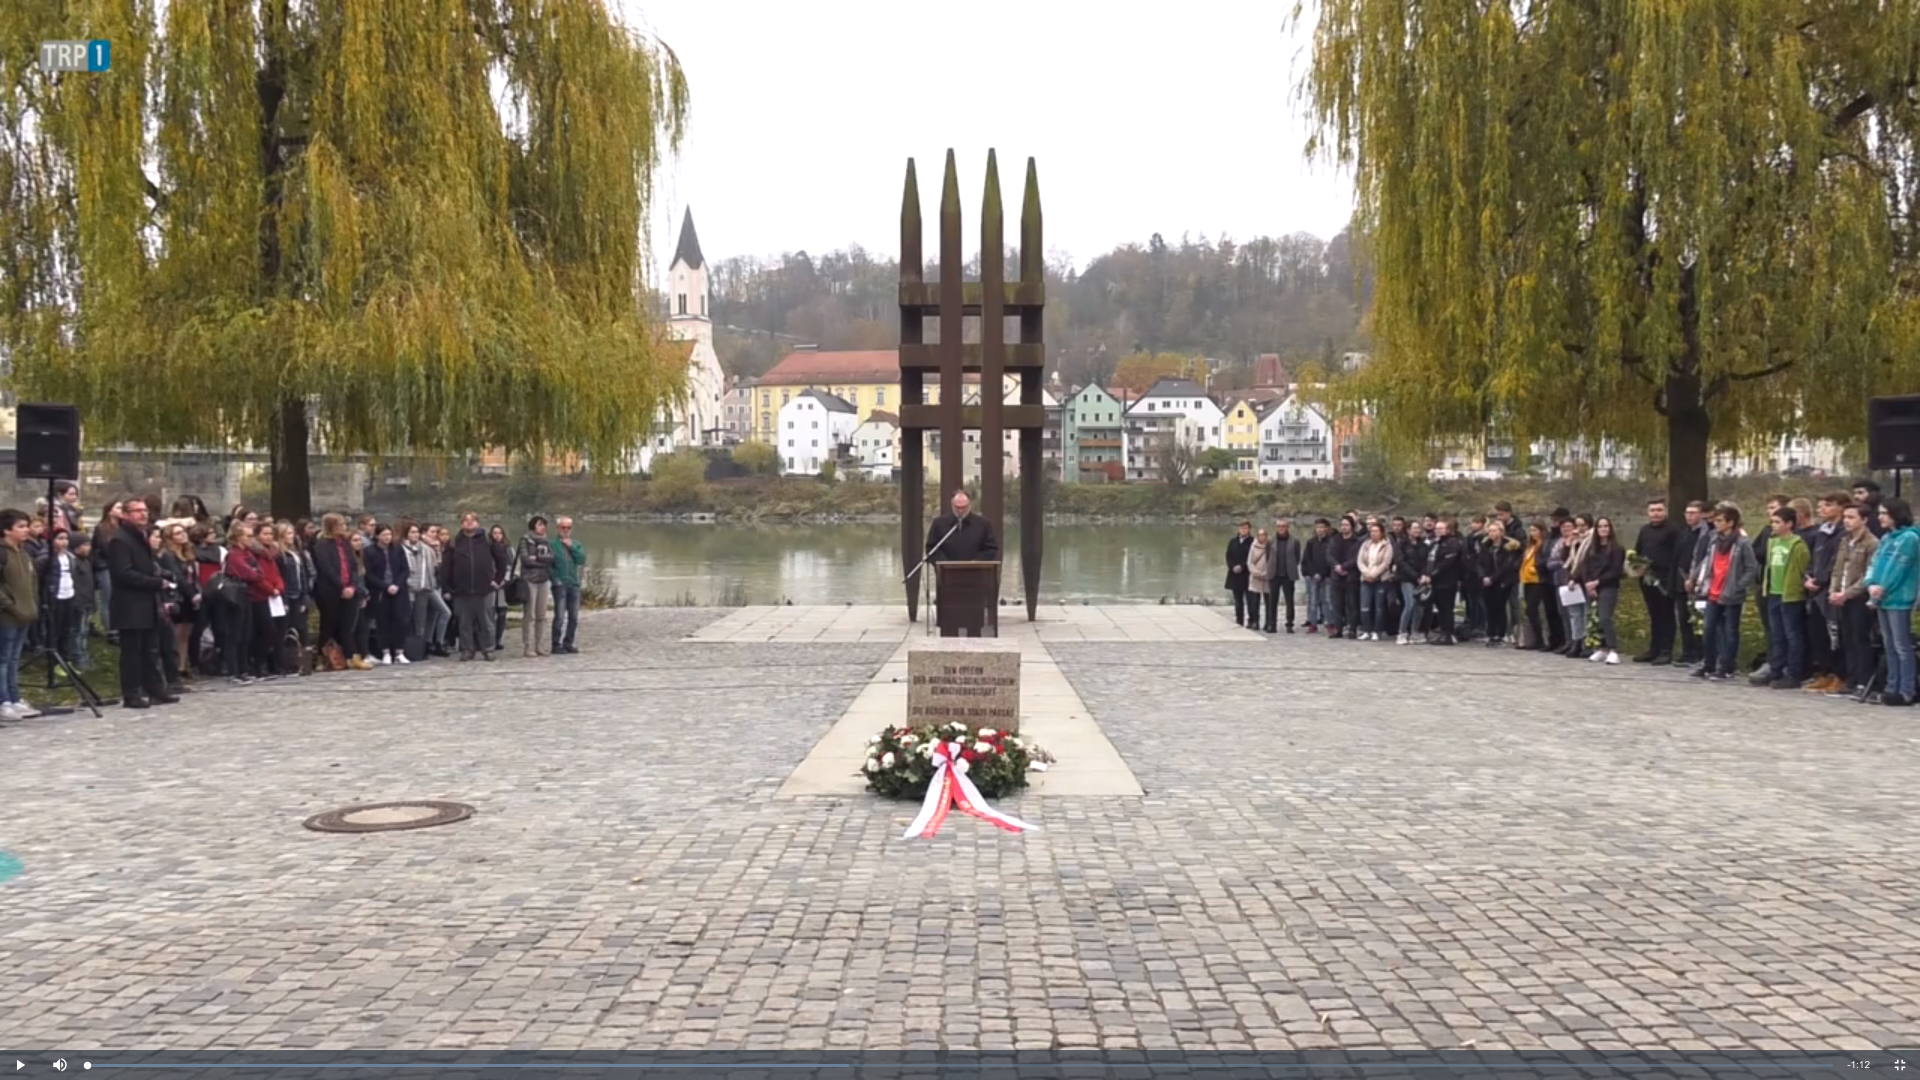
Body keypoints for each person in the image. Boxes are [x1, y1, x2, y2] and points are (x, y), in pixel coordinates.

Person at [107, 499, 178, 709]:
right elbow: (123, 573)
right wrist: (157, 582)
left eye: (144, 511)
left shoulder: (142, 537)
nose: (142, 514)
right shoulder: (120, 540)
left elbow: (146, 565)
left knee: (150, 649)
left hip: (147, 602)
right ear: (126, 514)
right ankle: (132, 693)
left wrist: (160, 574)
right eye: (137, 511)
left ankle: (155, 688)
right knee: (132, 652)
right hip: (130, 604)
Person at [1693, 505, 1759, 682]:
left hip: (1731, 594)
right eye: (1715, 520)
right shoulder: (1714, 540)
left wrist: (1738, 586)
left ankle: (1727, 666)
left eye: (1720, 520)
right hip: (1713, 591)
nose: (1716, 523)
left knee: (1730, 630)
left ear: (1730, 523)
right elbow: (1707, 562)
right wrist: (1698, 579)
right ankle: (1709, 663)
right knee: (1708, 629)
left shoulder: (1742, 543)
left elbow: (1752, 569)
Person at [923, 491, 1001, 636]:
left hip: (975, 580)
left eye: (963, 507)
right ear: (952, 506)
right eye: (957, 507)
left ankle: (974, 647)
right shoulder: (940, 524)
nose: (960, 510)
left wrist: (976, 562)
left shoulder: (983, 524)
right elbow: (931, 548)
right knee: (949, 623)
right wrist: (944, 565)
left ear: (970, 505)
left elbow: (991, 548)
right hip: (948, 580)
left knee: (974, 623)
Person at [1864, 498, 1918, 705]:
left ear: (1896, 514)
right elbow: (1875, 563)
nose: (1880, 517)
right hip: (1880, 597)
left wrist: (1882, 588)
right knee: (1889, 645)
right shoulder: (1887, 538)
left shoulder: (1909, 538)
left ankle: (1906, 690)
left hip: (1899, 597)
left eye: (1884, 513)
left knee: (1901, 645)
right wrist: (1870, 583)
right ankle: (1890, 686)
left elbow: (1898, 568)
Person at [1827, 504, 1879, 698]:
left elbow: (1868, 574)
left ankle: (1864, 681)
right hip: (1841, 595)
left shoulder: (1871, 543)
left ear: (1864, 520)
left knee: (1860, 639)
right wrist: (1834, 590)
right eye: (1845, 517)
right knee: (1846, 638)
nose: (1846, 521)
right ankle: (1852, 677)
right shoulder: (1844, 541)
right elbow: (1838, 568)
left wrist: (1847, 593)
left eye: (1851, 517)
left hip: (1859, 597)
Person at [443, 512, 507, 661]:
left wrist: (497, 580)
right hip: (461, 591)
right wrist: (448, 587)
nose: (469, 523)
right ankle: (467, 649)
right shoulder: (454, 542)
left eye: (472, 520)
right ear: (461, 524)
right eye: (466, 520)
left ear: (478, 523)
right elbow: (446, 567)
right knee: (464, 623)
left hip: (484, 589)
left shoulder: (487, 541)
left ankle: (488, 649)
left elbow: (501, 561)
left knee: (487, 623)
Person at [1760, 504, 1811, 690]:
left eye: (1777, 522)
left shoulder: (1798, 545)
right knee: (1777, 634)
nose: (1773, 525)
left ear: (1789, 524)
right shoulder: (1772, 542)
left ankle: (1794, 673)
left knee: (1792, 634)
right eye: (1772, 522)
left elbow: (1802, 568)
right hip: (1773, 592)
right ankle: (1776, 670)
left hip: (1790, 595)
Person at [0, 510, 41, 720]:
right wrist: (10, 606)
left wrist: (32, 605)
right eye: (21, 526)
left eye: (26, 526)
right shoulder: (2, 553)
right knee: (3, 659)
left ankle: (15, 698)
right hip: (7, 616)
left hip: (25, 614)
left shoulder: (24, 553)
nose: (26, 530)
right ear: (7, 530)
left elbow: (31, 582)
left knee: (14, 659)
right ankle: (3, 700)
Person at [1583, 517, 1626, 664]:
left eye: (1606, 526)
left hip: (1608, 586)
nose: (1603, 529)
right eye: (1600, 526)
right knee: (1594, 618)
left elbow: (1615, 571)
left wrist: (1598, 582)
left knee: (1605, 617)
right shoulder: (1592, 549)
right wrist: (1588, 583)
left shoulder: (1617, 549)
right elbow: (1586, 567)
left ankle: (1613, 648)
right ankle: (1601, 648)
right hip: (1592, 587)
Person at [1477, 520, 1522, 649]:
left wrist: (1493, 578)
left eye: (1495, 531)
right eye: (1490, 531)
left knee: (1500, 607)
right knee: (1489, 608)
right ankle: (1491, 633)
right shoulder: (1486, 545)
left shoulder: (1508, 546)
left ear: (1501, 532)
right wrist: (1483, 577)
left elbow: (1506, 565)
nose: (1492, 533)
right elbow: (1480, 562)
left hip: (1502, 581)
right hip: (1486, 580)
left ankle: (1500, 634)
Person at [518, 516, 556, 657]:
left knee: (542, 615)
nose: (543, 527)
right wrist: (542, 560)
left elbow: (552, 558)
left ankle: (539, 645)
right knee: (530, 615)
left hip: (544, 579)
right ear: (533, 525)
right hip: (529, 580)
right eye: (540, 524)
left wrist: (538, 558)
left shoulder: (547, 540)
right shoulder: (526, 539)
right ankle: (528, 647)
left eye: (544, 524)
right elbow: (526, 560)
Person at [1421, 518, 1464, 645]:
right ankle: (1443, 632)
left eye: (1441, 528)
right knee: (1439, 608)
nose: (1438, 531)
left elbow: (1445, 563)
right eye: (1436, 528)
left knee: (1447, 608)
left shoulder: (1453, 543)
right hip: (1435, 581)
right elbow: (1428, 560)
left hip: (1447, 581)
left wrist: (1432, 575)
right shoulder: (1435, 543)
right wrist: (1425, 573)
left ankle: (1448, 634)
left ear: (1448, 529)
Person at [550, 516, 586, 654]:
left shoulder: (576, 544)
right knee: (559, 616)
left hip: (574, 583)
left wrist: (570, 546)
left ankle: (568, 642)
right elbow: (548, 565)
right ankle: (555, 644)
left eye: (568, 527)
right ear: (558, 528)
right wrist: (554, 578)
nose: (565, 530)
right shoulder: (552, 544)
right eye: (563, 527)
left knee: (574, 616)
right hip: (560, 584)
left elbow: (581, 559)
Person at [1357, 520, 1393, 641]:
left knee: (1379, 607)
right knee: (1365, 606)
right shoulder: (1365, 545)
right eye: (1372, 531)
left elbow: (1386, 563)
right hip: (1365, 579)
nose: (1373, 533)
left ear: (1382, 532)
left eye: (1376, 531)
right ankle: (1367, 630)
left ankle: (1377, 631)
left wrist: (1374, 574)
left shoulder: (1387, 546)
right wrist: (1366, 573)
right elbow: (1360, 561)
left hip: (1380, 579)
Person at [1301, 519, 1334, 633]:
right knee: (1313, 600)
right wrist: (1312, 573)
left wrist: (1322, 573)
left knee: (1327, 600)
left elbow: (1329, 559)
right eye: (1317, 527)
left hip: (1327, 576)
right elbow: (1307, 559)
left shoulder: (1331, 542)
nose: (1320, 529)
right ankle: (1312, 623)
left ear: (1326, 528)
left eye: (1322, 527)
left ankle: (1329, 622)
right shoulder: (1311, 542)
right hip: (1313, 576)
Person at [1224, 521, 1254, 627]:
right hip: (1234, 574)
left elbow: (1251, 557)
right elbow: (1228, 556)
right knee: (1238, 599)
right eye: (1241, 528)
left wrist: (1242, 566)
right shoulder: (1233, 541)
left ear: (1249, 529)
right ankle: (1239, 620)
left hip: (1247, 574)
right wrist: (1232, 566)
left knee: (1250, 599)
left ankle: (1252, 620)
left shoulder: (1253, 542)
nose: (1243, 530)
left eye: (1245, 528)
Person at [1245, 528, 1271, 634]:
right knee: (1254, 601)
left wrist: (1267, 573)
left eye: (1264, 535)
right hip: (1255, 577)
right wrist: (1255, 572)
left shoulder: (1271, 546)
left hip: (1268, 577)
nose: (1262, 537)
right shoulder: (1253, 546)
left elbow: (1273, 561)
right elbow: (1249, 562)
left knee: (1269, 601)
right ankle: (1255, 621)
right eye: (1260, 535)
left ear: (1266, 536)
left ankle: (1269, 622)